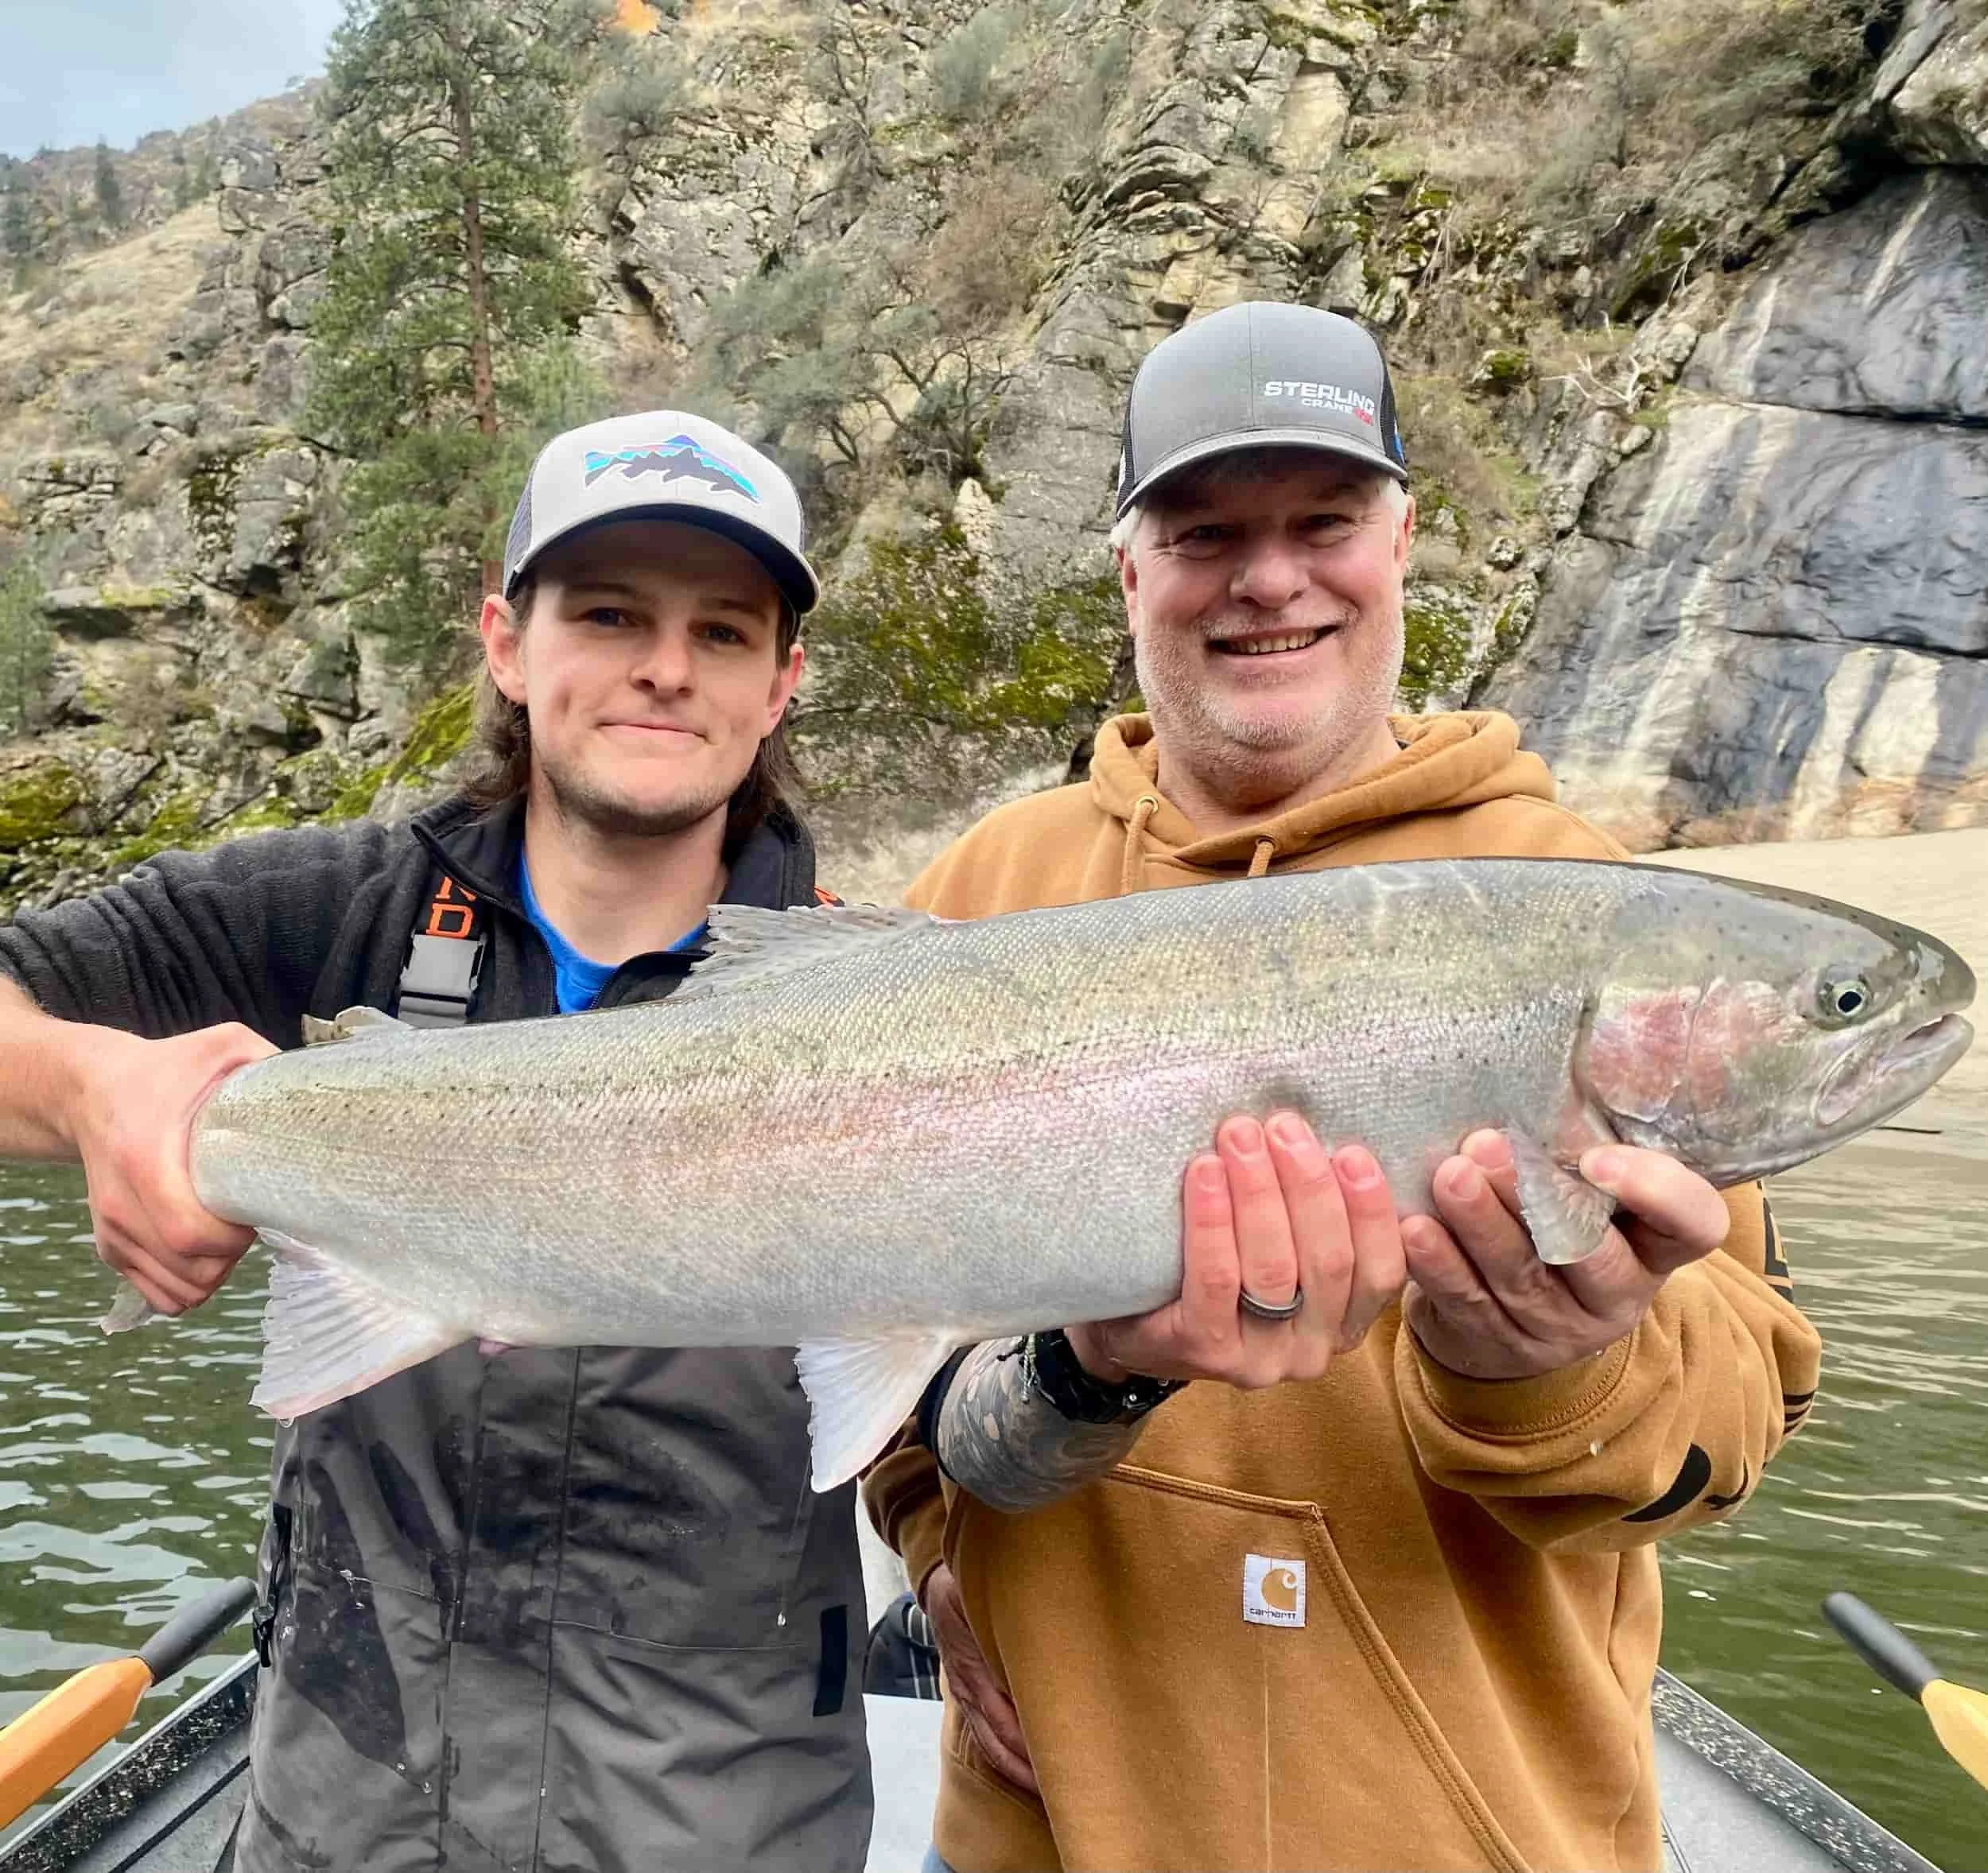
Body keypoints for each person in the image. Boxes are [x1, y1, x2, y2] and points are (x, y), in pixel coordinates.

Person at [864, 304, 1823, 1872]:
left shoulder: (1606, 923)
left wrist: (1552, 1366)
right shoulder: (986, 889)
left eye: (1321, 522)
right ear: (1129, 572)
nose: (1267, 578)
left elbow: (1736, 1424)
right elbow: (883, 1339)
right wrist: (934, 1553)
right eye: (1203, 533)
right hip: (1038, 1834)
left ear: (1400, 544)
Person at [0, 413, 874, 1872]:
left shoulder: (884, 1002)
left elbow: (969, 1444)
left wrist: (1097, 1378)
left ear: (781, 684)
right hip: (337, 1821)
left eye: (723, 631)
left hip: (726, 1829)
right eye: (610, 614)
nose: (668, 666)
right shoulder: (331, 909)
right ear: (507, 646)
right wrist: (96, 1088)